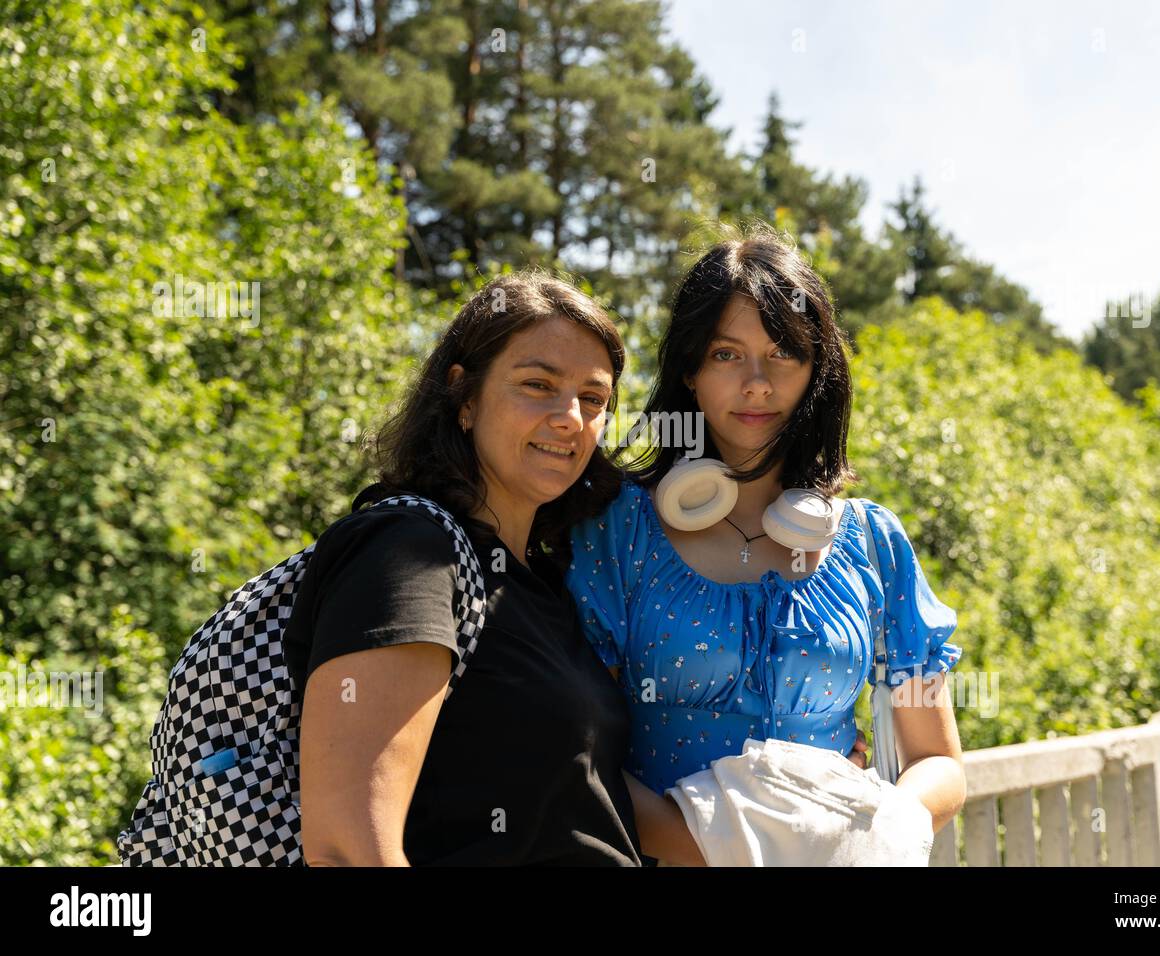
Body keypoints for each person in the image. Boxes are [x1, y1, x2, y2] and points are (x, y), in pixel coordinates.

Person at [565, 226, 967, 864]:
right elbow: (580, 758)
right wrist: (740, 852)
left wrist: (874, 834)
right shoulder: (618, 529)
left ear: (816, 372)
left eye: (784, 353)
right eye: (727, 354)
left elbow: (937, 760)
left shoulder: (874, 541)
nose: (757, 382)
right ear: (690, 371)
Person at [285, 271, 699, 865]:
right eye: (538, 385)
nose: (570, 418)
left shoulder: (552, 587)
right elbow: (347, 847)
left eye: (594, 399)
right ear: (465, 396)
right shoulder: (408, 551)